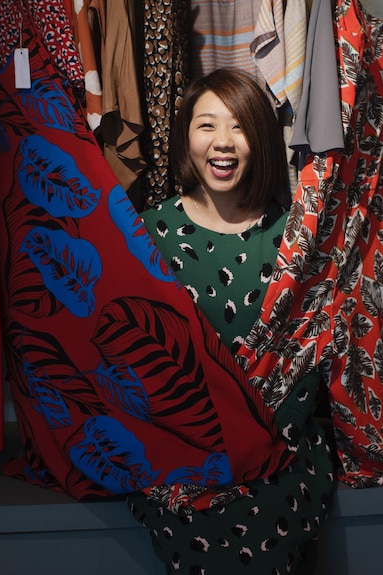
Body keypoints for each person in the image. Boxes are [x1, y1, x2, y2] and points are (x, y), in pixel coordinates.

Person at [128, 68, 336, 574]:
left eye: (238, 126)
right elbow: (134, 359)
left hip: (277, 451)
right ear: (186, 137)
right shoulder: (147, 235)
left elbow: (309, 360)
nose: (222, 142)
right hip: (179, 452)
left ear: (260, 138)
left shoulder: (293, 237)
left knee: (266, 528)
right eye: (207, 126)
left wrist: (252, 445)